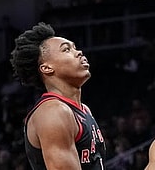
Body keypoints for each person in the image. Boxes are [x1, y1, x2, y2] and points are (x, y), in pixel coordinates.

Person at [10, 22, 105, 169]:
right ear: (47, 68)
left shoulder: (83, 110)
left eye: (75, 47)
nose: (78, 52)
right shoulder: (53, 111)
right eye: (66, 50)